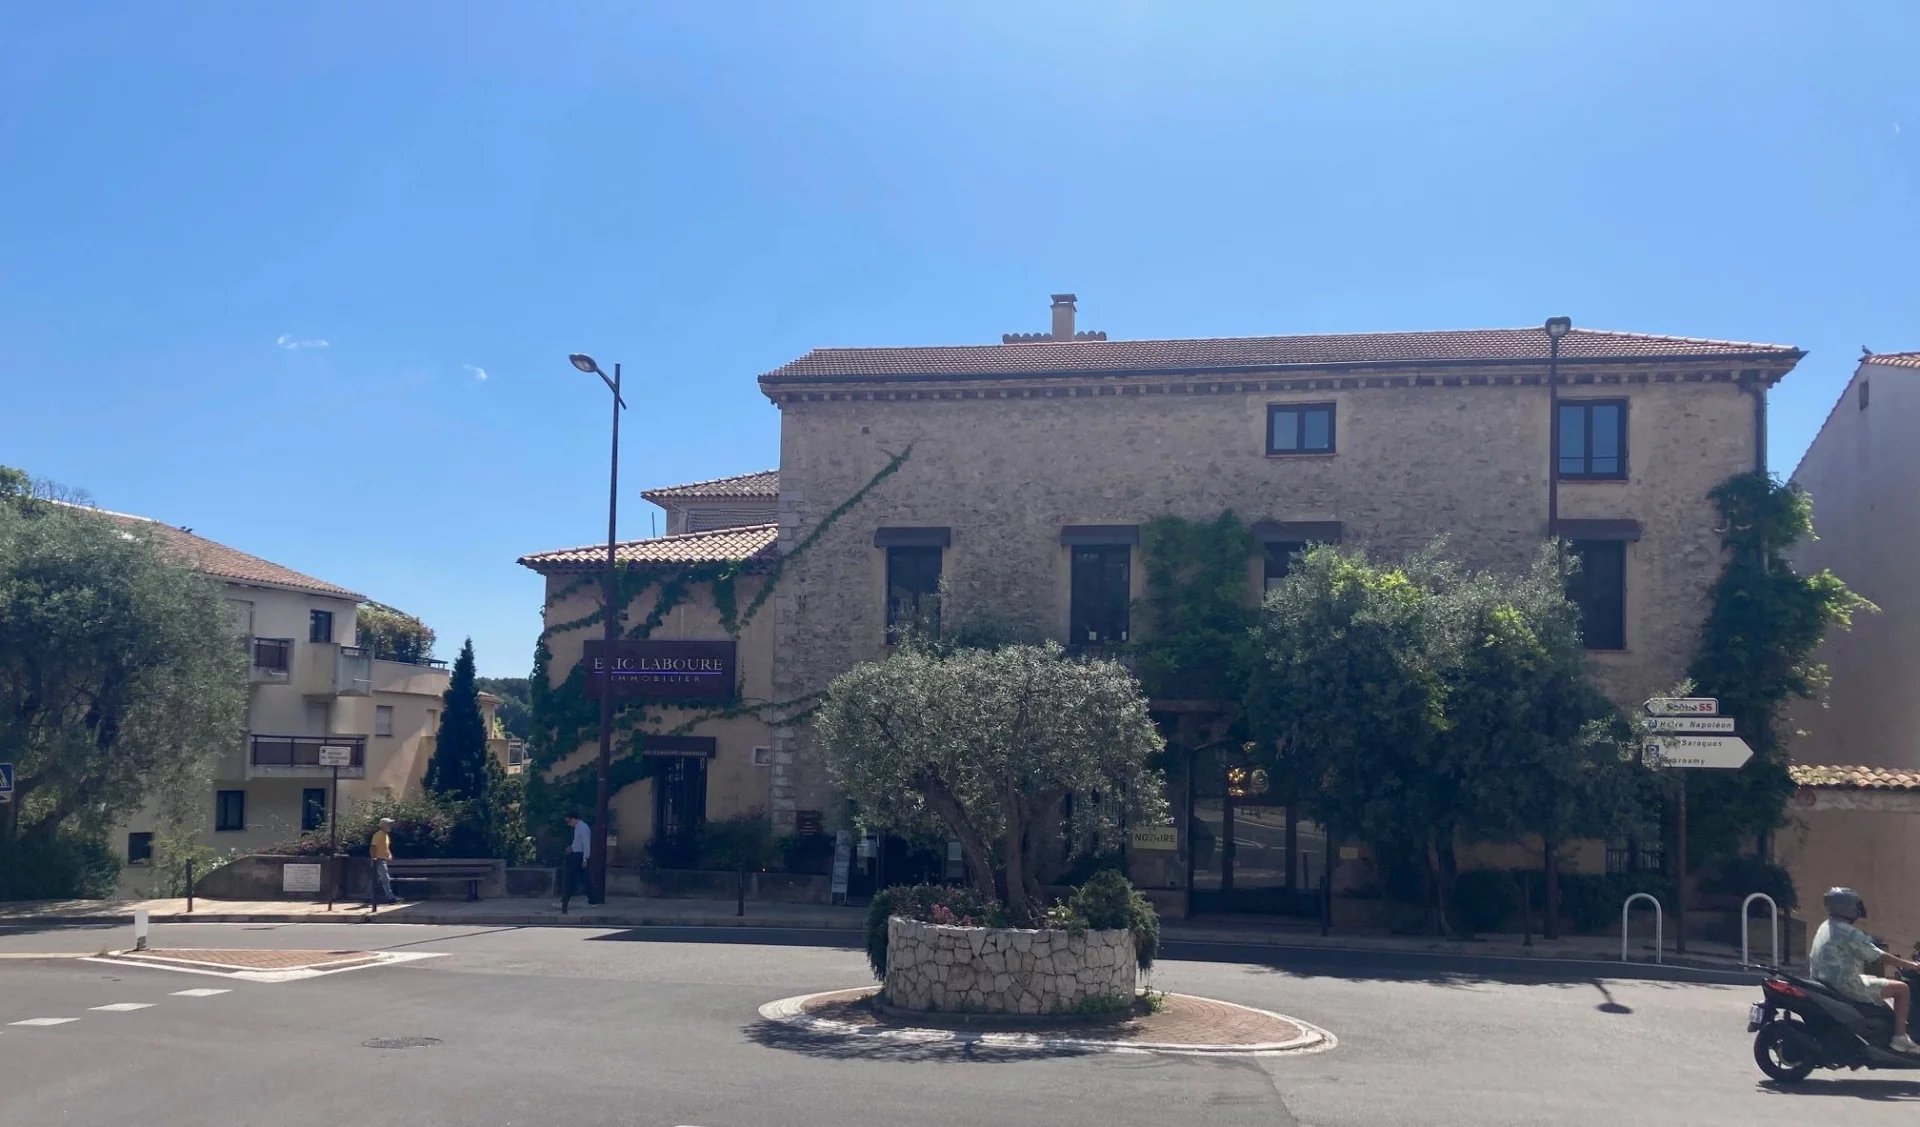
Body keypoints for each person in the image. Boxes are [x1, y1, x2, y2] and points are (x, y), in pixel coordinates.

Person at [1809, 886, 1920, 1054]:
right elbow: (1878, 956)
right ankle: (1900, 1037)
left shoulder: (1827, 925)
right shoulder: (1849, 933)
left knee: (1873, 979)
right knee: (1902, 989)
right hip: (1846, 985)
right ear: (1847, 906)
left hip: (1825, 981)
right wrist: (1910, 964)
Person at [557, 812, 591, 914]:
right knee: (584, 879)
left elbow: (586, 844)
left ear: (574, 819)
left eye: (569, 821)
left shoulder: (583, 828)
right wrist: (571, 847)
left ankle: (565, 901)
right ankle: (592, 899)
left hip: (579, 856)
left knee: (570, 878)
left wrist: (585, 859)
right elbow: (577, 843)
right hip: (576, 854)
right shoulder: (577, 828)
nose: (568, 824)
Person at [368, 817, 396, 906]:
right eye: (389, 824)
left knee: (375, 879)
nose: (391, 826)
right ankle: (390, 897)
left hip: (382, 859)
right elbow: (373, 847)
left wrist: (389, 855)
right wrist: (374, 859)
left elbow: (386, 848)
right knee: (385, 879)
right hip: (378, 860)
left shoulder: (386, 835)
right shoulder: (378, 835)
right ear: (384, 826)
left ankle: (369, 897)